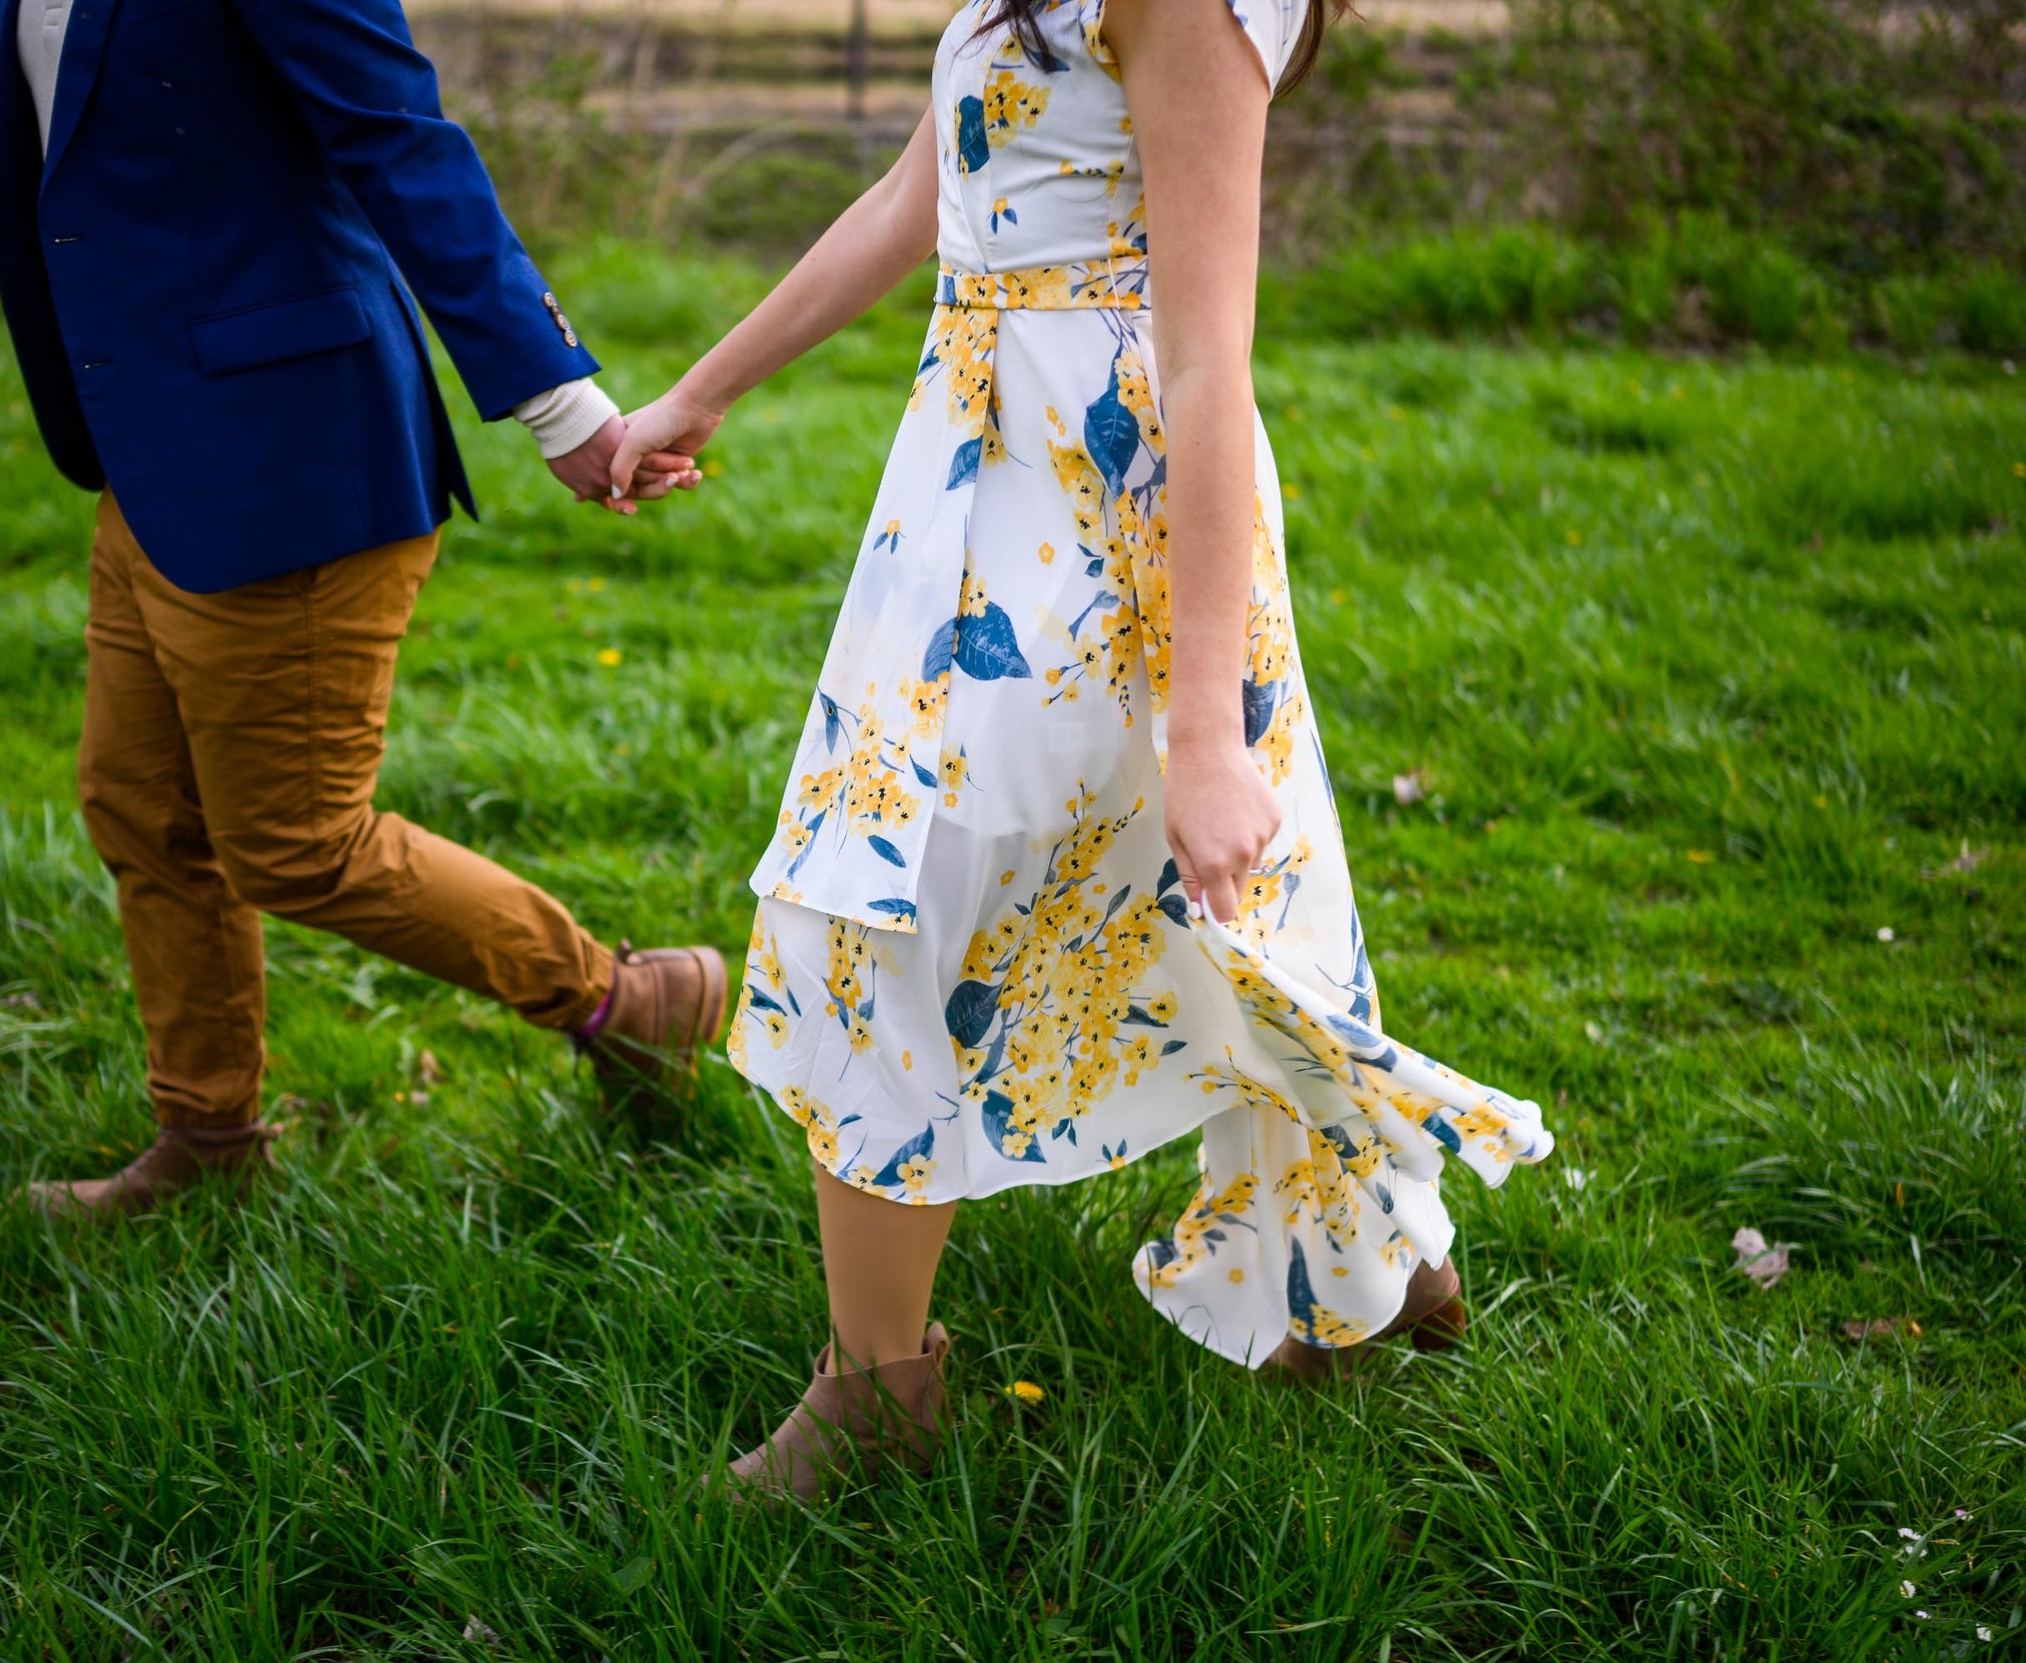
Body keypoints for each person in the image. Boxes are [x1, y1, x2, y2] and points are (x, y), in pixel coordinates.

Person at [611, 0, 1555, 1502]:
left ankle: (882, 1388)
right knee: (1145, 905)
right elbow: (917, 200)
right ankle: (1383, 1262)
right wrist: (703, 387)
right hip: (966, 486)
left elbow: (1205, 365)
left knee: (934, 898)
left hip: (1110, 515)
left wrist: (1202, 731)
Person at [0, 0, 724, 1221]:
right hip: (149, 441)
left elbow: (401, 137)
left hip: (287, 448)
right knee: (147, 808)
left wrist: (559, 404)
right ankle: (207, 1137)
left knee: (295, 840)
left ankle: (626, 1001)